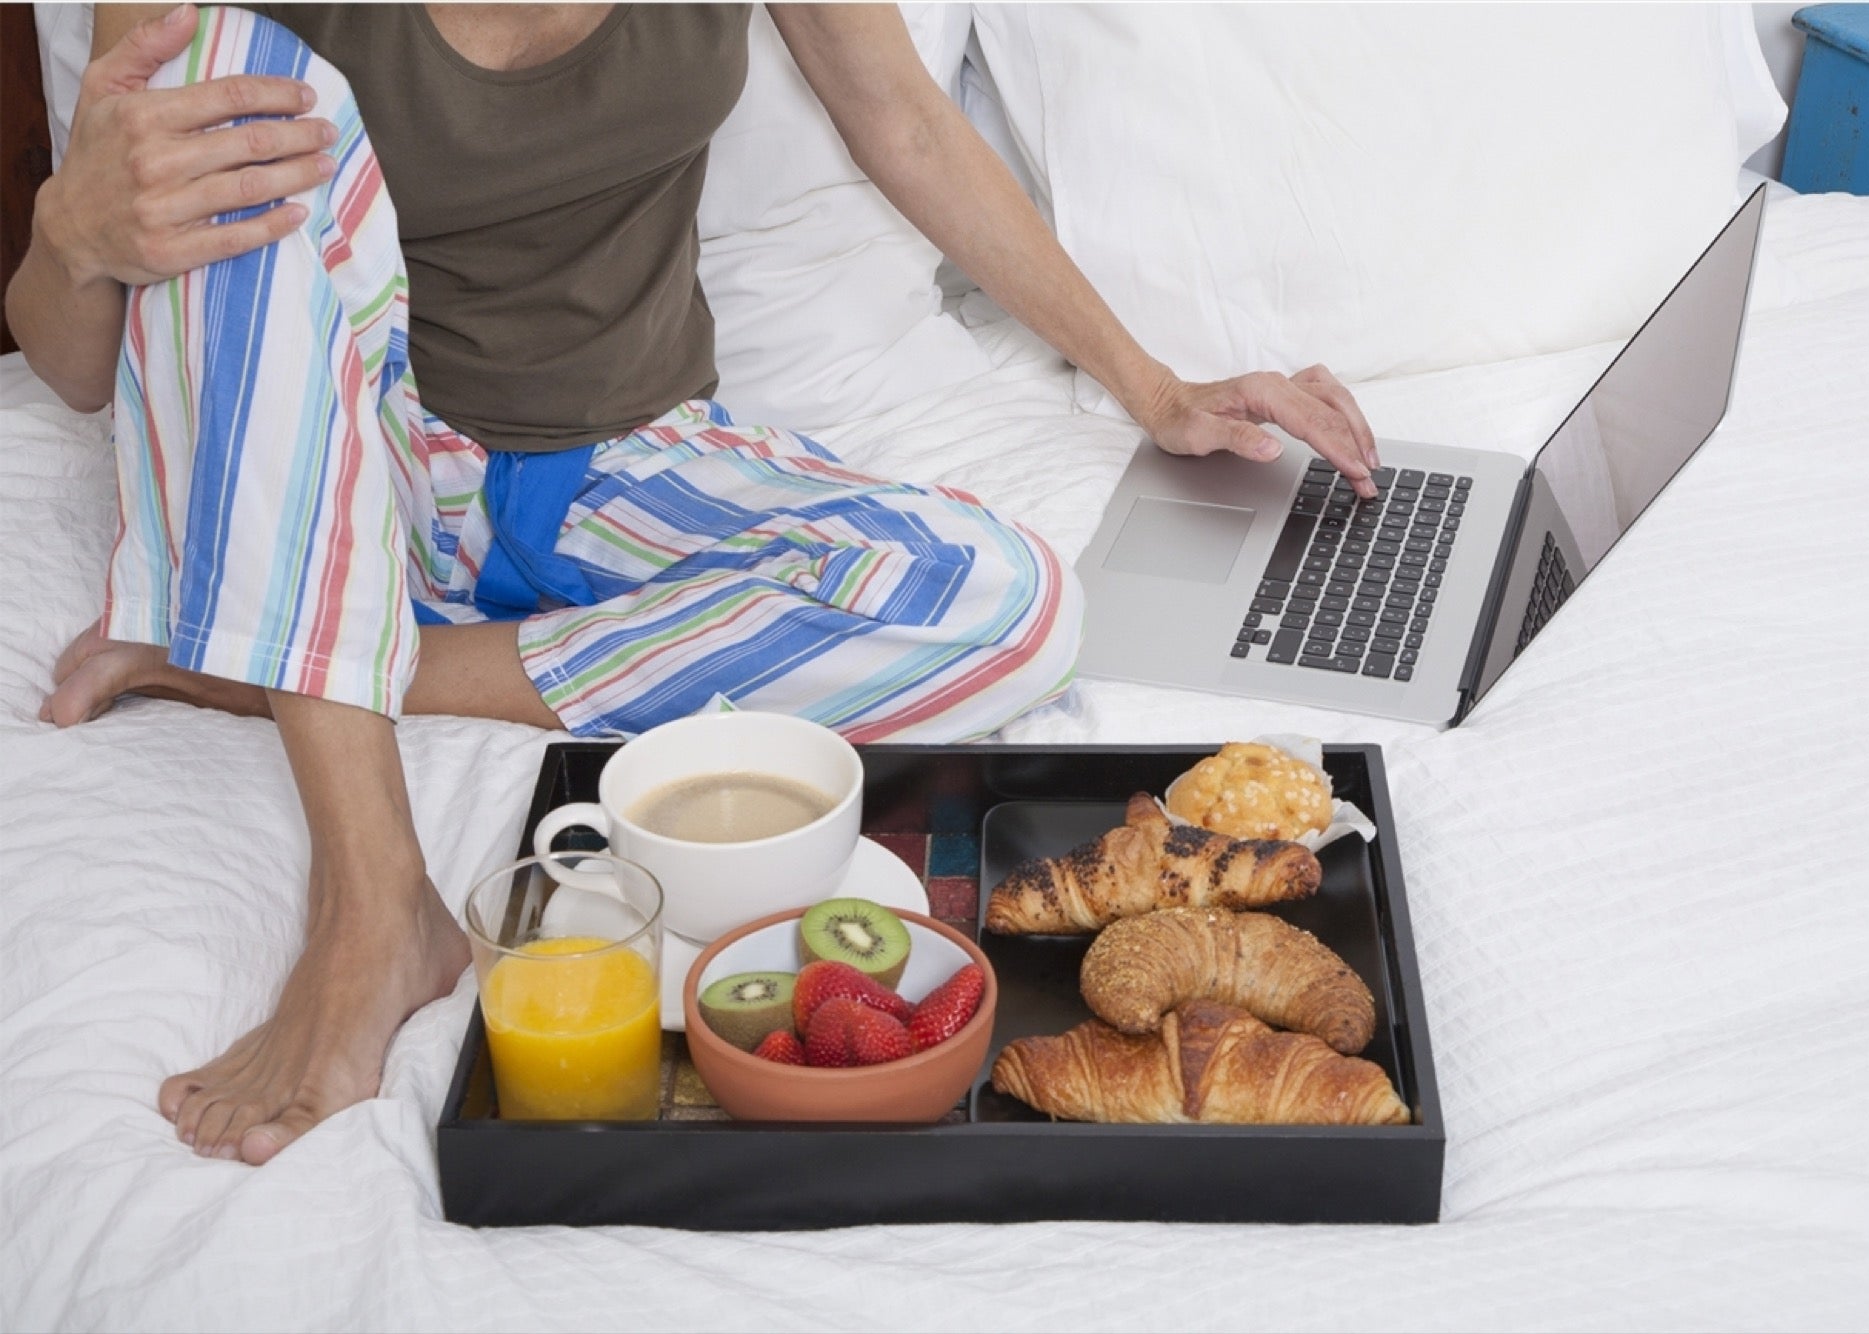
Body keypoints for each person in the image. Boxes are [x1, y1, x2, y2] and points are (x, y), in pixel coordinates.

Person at [6, 2, 1380, 1165]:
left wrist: (1156, 387)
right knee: (219, 107)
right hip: (352, 470)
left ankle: (298, 667)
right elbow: (80, 368)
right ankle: (374, 908)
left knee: (1011, 604)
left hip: (634, 463)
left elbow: (903, 119)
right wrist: (73, 233)